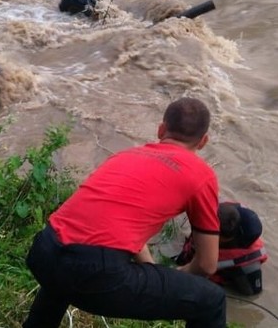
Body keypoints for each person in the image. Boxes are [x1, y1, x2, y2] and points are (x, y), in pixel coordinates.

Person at [23, 97, 226, 328]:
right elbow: (208, 265)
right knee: (212, 300)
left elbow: (115, 220)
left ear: (161, 130)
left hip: (44, 251)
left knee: (66, 270)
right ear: (203, 141)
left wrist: (151, 270)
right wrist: (180, 274)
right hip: (95, 272)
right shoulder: (201, 174)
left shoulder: (125, 156)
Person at [175, 202, 268, 296]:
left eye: (212, 233)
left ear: (226, 238)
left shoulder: (249, 267)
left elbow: (250, 298)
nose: (205, 234)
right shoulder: (219, 212)